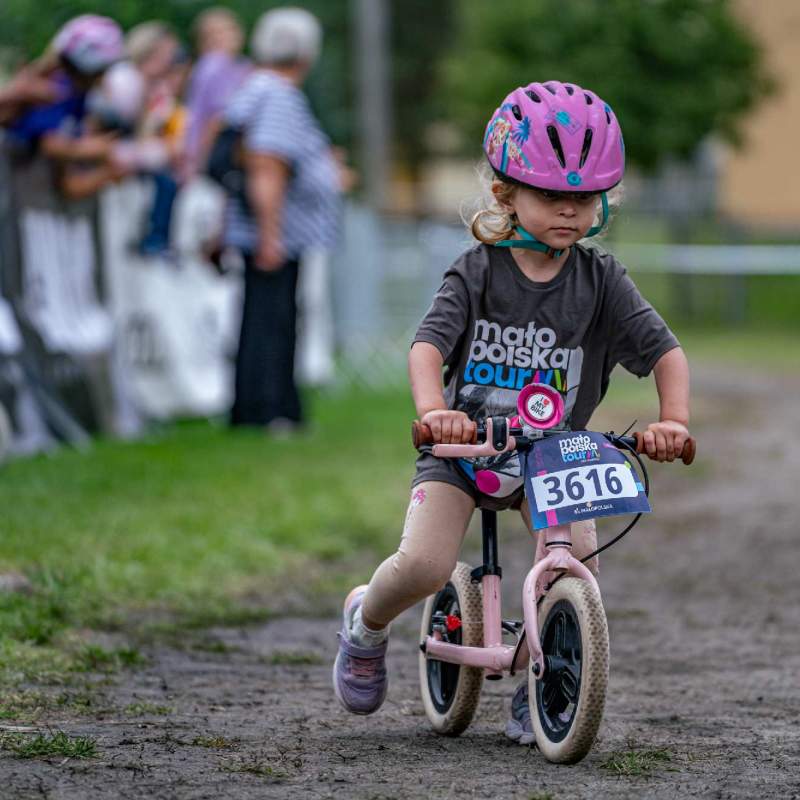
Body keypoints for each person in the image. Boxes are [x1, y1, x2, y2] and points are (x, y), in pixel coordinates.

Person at [332, 81, 692, 742]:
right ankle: (364, 623)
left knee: (575, 560)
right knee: (425, 566)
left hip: (552, 456)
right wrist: (436, 410)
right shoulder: (477, 271)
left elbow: (665, 352)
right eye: (553, 195)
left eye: (584, 198)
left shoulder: (602, 280)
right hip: (463, 452)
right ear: (506, 193)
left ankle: (538, 684)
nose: (570, 212)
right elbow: (425, 348)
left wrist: (673, 419)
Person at [223, 7, 342, 431]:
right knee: (272, 321)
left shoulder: (256, 88)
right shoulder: (277, 94)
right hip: (275, 235)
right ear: (305, 52)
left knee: (264, 316)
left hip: (269, 231)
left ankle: (261, 408)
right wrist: (270, 237)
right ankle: (269, 410)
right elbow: (266, 165)